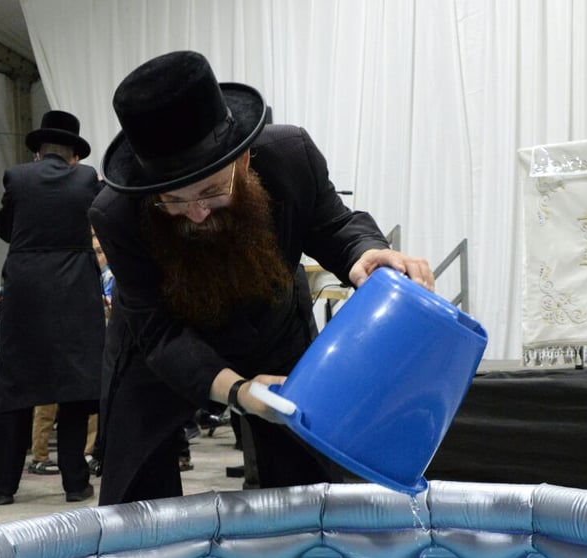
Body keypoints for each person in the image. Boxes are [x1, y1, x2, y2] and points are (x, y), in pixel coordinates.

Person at [88, 51, 433, 505]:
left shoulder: (290, 157)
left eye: (213, 191)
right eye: (173, 199)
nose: (196, 212)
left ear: (245, 160)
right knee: (137, 501)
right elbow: (158, 333)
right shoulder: (117, 214)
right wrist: (235, 390)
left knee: (310, 491)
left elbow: (332, 225)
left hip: (272, 329)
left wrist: (364, 253)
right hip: (162, 351)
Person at [0, 110, 103, 506]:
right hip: (75, 290)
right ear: (74, 155)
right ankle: (75, 484)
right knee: (75, 388)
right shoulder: (87, 179)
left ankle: (1, 486)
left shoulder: (16, 177)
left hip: (26, 293)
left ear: (37, 152)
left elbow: (4, 228)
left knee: (16, 386)